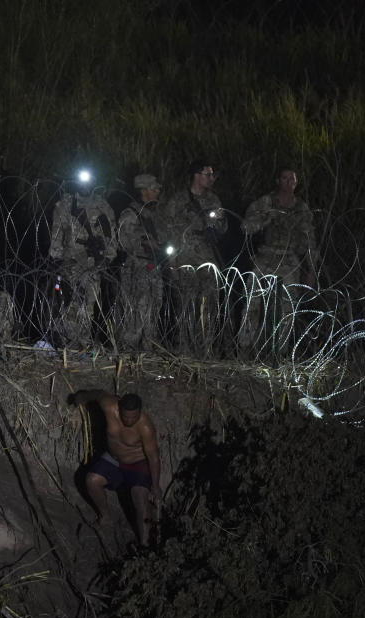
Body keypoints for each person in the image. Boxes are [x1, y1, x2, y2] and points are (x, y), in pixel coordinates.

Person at [238, 167, 320, 349]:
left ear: (297, 183)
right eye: (285, 178)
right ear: (278, 181)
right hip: (266, 255)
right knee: (252, 301)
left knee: (288, 307)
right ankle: (245, 347)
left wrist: (311, 270)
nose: (289, 182)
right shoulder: (266, 202)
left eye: (292, 179)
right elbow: (246, 226)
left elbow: (309, 242)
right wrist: (266, 219)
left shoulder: (301, 208)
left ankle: (280, 351)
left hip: (289, 258)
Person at [69, 389, 162, 547]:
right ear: (119, 409)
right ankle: (105, 517)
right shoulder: (109, 405)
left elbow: (153, 457)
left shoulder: (145, 427)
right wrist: (81, 397)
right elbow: (97, 394)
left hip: (138, 463)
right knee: (92, 480)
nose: (130, 420)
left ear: (140, 412)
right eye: (126, 416)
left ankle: (145, 544)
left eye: (134, 417)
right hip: (115, 459)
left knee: (139, 497)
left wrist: (155, 485)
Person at [159, 159, 228, 354]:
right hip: (184, 255)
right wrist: (172, 261)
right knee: (185, 303)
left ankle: (204, 349)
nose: (211, 178)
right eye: (208, 174)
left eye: (212, 174)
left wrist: (215, 227)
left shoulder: (213, 200)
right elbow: (167, 232)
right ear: (197, 175)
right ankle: (184, 349)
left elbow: (223, 227)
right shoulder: (178, 200)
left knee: (208, 303)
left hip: (207, 256)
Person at [47, 175, 118, 348]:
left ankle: (82, 344)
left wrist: (107, 256)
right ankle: (68, 343)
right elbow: (56, 235)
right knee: (71, 303)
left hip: (94, 263)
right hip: (71, 261)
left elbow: (111, 234)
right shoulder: (65, 205)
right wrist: (56, 259)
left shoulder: (102, 205)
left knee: (89, 306)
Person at [114, 174, 165, 350]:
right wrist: (144, 240)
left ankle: (149, 347)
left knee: (154, 307)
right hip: (136, 266)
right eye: (154, 188)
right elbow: (122, 240)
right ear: (143, 191)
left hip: (154, 266)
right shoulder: (131, 213)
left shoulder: (154, 214)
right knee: (135, 309)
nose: (158, 191)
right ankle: (128, 348)